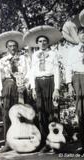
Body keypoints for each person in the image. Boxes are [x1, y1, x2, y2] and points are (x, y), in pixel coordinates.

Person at [23, 25, 62, 152]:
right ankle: (46, 142)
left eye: (44, 41)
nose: (42, 43)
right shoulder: (34, 55)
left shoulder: (53, 54)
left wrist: (56, 89)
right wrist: (33, 89)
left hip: (50, 82)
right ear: (37, 43)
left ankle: (56, 143)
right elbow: (33, 72)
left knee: (53, 113)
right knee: (42, 114)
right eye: (40, 41)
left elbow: (56, 71)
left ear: (48, 42)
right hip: (39, 83)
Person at [0, 31, 30, 153]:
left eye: (15, 46)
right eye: (10, 46)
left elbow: (29, 73)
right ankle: (7, 142)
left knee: (21, 114)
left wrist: (25, 85)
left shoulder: (23, 59)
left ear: (18, 47)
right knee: (7, 115)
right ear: (7, 48)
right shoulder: (3, 61)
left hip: (20, 87)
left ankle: (21, 141)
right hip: (7, 87)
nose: (13, 48)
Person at [65, 26, 84, 154]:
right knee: (81, 110)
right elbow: (68, 67)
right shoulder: (72, 50)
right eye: (82, 34)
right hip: (77, 78)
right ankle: (83, 144)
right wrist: (69, 84)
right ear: (78, 36)